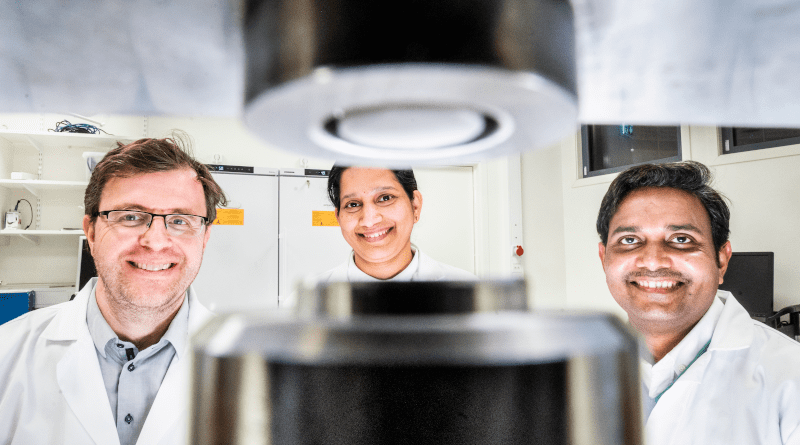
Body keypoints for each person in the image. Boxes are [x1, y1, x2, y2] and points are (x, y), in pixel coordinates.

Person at [0, 135, 226, 445]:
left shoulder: (259, 372)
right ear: (91, 231)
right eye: (131, 217)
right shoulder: (7, 355)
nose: (155, 241)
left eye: (179, 220)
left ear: (204, 238)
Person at [596, 160, 800, 445]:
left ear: (721, 259)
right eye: (630, 240)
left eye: (681, 239)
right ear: (604, 258)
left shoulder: (791, 374)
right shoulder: (573, 374)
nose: (653, 261)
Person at [320, 165, 476, 282]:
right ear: (338, 217)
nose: (369, 221)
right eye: (353, 204)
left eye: (385, 198)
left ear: (415, 206)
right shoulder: (304, 303)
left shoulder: (470, 292)